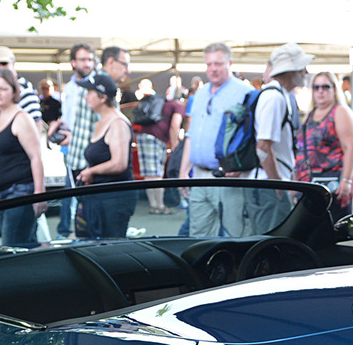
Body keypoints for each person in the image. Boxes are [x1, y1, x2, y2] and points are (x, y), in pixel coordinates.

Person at [179, 42, 252, 236]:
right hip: (200, 177)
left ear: (230, 63)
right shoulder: (200, 94)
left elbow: (252, 136)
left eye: (218, 63)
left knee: (237, 235)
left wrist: (240, 167)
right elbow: (191, 134)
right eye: (209, 64)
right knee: (199, 237)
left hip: (228, 178)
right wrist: (183, 172)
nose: (213, 69)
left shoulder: (245, 92)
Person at [248, 43, 309, 233]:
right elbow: (263, 147)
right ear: (291, 71)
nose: (306, 72)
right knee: (269, 242)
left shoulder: (279, 96)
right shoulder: (274, 98)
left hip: (269, 184)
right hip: (269, 186)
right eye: (301, 68)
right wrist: (278, 186)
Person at [0, 71, 46, 246]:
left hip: (20, 191)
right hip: (0, 192)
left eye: (3, 88)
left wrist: (39, 194)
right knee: (21, 245)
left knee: (12, 245)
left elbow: (36, 156)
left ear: (13, 91)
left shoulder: (21, 118)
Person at [74, 71, 135, 240]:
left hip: (114, 199)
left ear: (102, 98)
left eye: (89, 93)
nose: (86, 97)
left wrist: (91, 171)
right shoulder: (100, 122)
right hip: (99, 197)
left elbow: (119, 163)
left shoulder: (117, 124)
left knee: (111, 248)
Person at [46, 42, 97, 237]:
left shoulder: (96, 86)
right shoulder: (70, 86)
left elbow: (97, 122)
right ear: (73, 62)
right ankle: (67, 232)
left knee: (81, 193)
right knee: (70, 190)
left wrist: (73, 136)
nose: (87, 64)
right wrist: (58, 125)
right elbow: (69, 118)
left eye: (90, 60)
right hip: (69, 148)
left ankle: (73, 233)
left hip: (88, 148)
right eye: (83, 59)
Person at [295, 68, 353, 224]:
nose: (320, 91)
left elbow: (350, 148)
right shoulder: (310, 114)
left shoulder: (340, 112)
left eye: (326, 87)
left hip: (334, 187)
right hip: (309, 188)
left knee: (333, 234)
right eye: (316, 87)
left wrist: (346, 180)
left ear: (334, 89)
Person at [131, 79, 171, 213]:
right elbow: (174, 126)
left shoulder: (146, 101)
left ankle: (153, 205)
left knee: (148, 174)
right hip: (155, 138)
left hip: (143, 137)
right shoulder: (167, 104)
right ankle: (159, 205)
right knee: (157, 173)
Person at [0, 46, 43, 133]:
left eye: (4, 63)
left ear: (13, 63)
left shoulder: (25, 88)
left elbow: (37, 124)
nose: (0, 67)